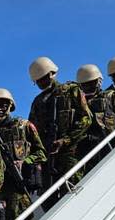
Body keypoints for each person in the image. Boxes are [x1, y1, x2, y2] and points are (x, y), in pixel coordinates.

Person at [0, 88, 46, 220]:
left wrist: (25, 162)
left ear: (10, 106)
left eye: (3, 105)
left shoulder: (24, 126)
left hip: (19, 189)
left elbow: (41, 153)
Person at [27, 57, 92, 199]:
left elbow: (86, 118)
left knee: (72, 194)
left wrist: (66, 140)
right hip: (47, 157)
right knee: (46, 198)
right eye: (38, 81)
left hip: (70, 153)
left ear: (52, 74)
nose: (41, 82)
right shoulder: (37, 102)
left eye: (43, 78)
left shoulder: (71, 91)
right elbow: (31, 132)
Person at [74, 64, 115, 168]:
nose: (89, 87)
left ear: (99, 81)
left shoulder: (113, 96)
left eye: (92, 83)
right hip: (89, 154)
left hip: (113, 148)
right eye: (85, 85)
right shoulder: (78, 105)